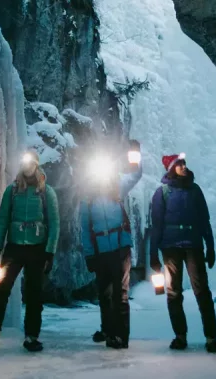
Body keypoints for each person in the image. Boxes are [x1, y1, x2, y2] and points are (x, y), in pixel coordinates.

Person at [0, 151, 60, 354]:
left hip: (37, 249)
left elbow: (54, 224)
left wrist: (49, 252)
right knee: (1, 291)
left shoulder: (47, 192)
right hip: (14, 248)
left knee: (34, 294)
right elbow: (2, 220)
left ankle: (31, 336)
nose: (26, 166)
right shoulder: (12, 190)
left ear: (36, 165)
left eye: (30, 162)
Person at [150, 153, 216, 353]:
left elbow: (204, 220)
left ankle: (211, 337)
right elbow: (156, 226)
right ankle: (180, 336)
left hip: (193, 244)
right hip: (170, 247)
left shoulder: (195, 190)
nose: (183, 166)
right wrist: (153, 255)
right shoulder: (162, 193)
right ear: (171, 168)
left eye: (184, 163)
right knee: (173, 292)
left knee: (202, 291)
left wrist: (210, 246)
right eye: (179, 164)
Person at [80, 139, 144, 349]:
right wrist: (89, 254)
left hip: (120, 248)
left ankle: (120, 336)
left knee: (120, 293)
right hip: (100, 251)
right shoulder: (88, 200)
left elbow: (135, 175)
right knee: (105, 293)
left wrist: (134, 155)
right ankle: (108, 329)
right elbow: (84, 228)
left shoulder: (117, 186)